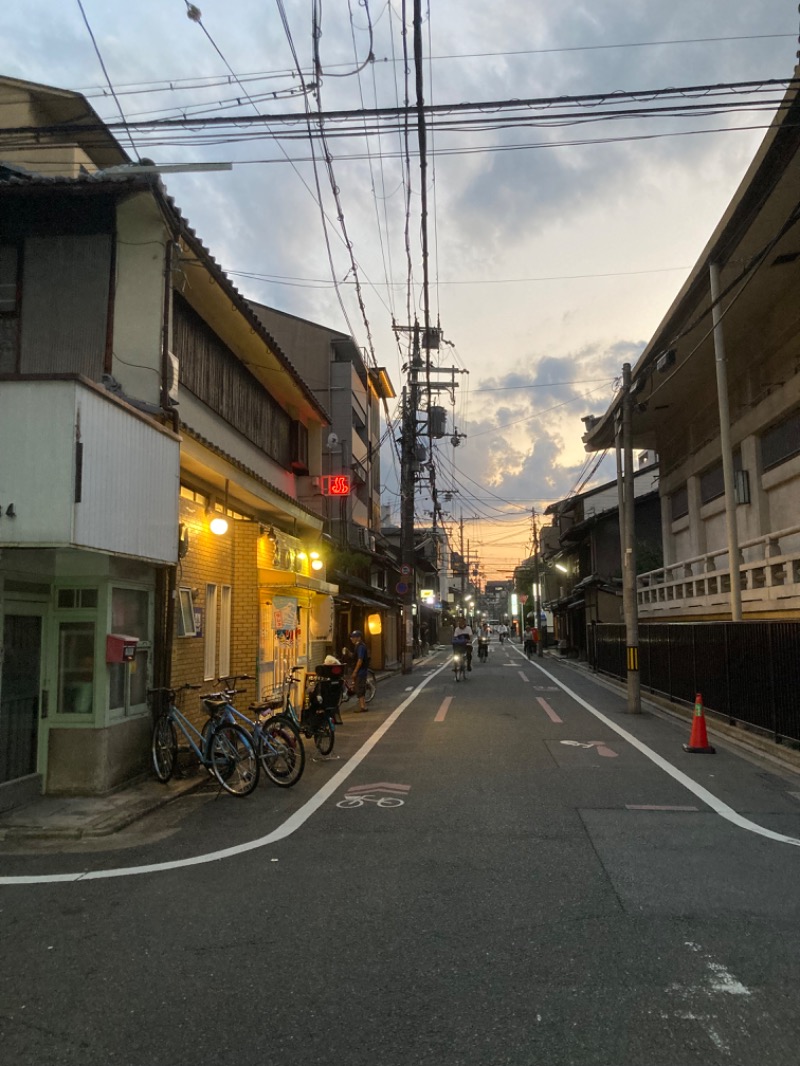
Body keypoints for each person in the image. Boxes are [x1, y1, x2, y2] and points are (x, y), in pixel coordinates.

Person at [348, 630, 370, 712]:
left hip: (361, 671)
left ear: (359, 638)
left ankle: (363, 706)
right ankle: (363, 706)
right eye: (352, 637)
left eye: (354, 637)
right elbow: (355, 656)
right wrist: (348, 652)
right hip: (360, 671)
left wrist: (355, 671)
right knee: (359, 687)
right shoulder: (357, 646)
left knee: (359, 688)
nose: (352, 639)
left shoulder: (361, 647)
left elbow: (360, 660)